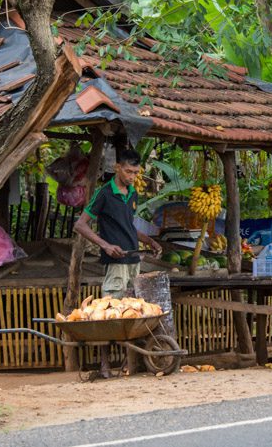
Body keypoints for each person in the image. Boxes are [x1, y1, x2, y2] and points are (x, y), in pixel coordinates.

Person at [73, 148, 161, 377]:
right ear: (117, 168)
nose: (132, 176)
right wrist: (105, 245)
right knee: (109, 311)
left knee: (131, 311)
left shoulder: (132, 193)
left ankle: (128, 363)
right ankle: (104, 365)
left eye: (135, 172)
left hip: (133, 260)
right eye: (129, 171)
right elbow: (80, 225)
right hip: (115, 262)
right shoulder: (104, 193)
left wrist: (149, 241)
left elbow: (129, 225)